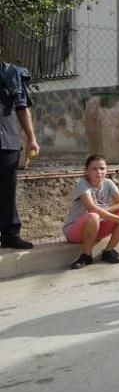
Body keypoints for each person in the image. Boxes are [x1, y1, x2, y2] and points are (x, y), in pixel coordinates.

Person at [64, 155, 119, 269]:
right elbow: (92, 208)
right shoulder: (83, 184)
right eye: (94, 169)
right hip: (75, 232)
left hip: (97, 228)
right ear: (86, 171)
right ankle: (86, 255)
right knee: (93, 216)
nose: (99, 172)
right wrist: (117, 219)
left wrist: (104, 211)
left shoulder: (108, 183)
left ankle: (108, 251)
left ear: (106, 170)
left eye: (102, 168)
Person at [0, 59, 39, 250]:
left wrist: (31, 138)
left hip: (6, 142)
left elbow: (22, 108)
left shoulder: (9, 74)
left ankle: (10, 235)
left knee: (7, 192)